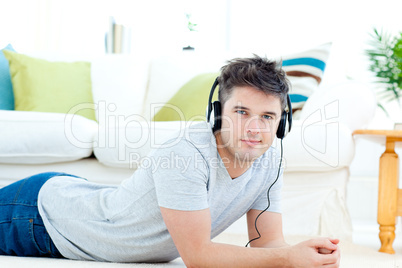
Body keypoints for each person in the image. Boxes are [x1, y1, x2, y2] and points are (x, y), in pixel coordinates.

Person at [0, 55, 340, 267]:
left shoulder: (270, 158)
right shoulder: (185, 154)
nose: (255, 128)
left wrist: (304, 258)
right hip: (38, 218)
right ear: (217, 113)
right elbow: (199, 257)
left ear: (282, 122)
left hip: (82, 200)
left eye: (267, 117)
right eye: (241, 111)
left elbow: (268, 243)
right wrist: (287, 258)